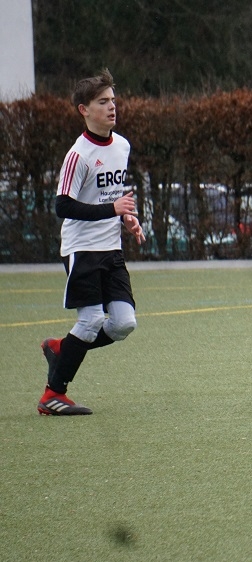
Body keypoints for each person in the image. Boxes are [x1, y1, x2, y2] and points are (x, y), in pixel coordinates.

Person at [38, 68, 145, 416]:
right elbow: (63, 206)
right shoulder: (78, 155)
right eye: (102, 102)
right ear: (84, 110)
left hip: (111, 249)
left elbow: (110, 196)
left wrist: (126, 218)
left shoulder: (122, 145)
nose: (112, 107)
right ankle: (53, 395)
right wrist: (112, 209)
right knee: (90, 321)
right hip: (81, 250)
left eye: (113, 100)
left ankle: (61, 348)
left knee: (124, 323)